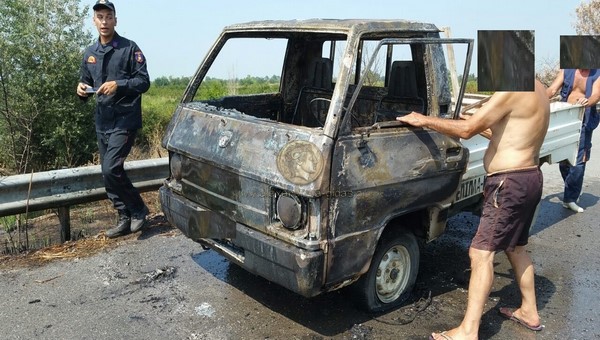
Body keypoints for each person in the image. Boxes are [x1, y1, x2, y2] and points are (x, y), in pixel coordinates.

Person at [397, 80, 549, 340]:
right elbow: (505, 132)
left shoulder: (512, 88)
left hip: (508, 183)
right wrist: (469, 122)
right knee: (515, 247)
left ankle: (468, 331)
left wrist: (423, 119)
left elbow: (467, 131)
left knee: (480, 253)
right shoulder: (539, 89)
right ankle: (529, 311)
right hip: (530, 177)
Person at [76, 0, 150, 238]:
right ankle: (124, 216)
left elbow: (143, 82)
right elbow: (85, 84)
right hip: (102, 121)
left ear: (115, 20)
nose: (104, 22)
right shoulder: (90, 53)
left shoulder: (129, 49)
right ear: (94, 21)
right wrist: (81, 89)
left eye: (108, 16)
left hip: (125, 119)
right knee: (107, 174)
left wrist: (118, 85)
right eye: (100, 17)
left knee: (111, 168)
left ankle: (138, 209)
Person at [546, 69, 600, 213]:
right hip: (565, 117)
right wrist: (539, 99)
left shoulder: (597, 73)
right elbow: (552, 89)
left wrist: (587, 101)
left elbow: (596, 94)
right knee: (563, 160)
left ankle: (570, 198)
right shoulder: (567, 70)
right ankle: (571, 188)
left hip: (584, 117)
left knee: (578, 162)